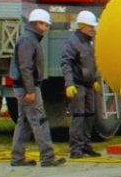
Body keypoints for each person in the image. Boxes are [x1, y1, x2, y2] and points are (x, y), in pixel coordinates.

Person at [10, 8, 64, 167]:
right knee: (39, 121)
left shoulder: (30, 39)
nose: (47, 28)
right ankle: (48, 157)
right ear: (36, 24)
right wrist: (31, 90)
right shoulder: (28, 41)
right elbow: (25, 67)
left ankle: (17, 157)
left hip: (25, 87)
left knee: (25, 122)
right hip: (29, 88)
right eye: (45, 25)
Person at [61, 10, 101, 158]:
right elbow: (66, 63)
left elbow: (93, 63)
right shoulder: (73, 42)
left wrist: (95, 80)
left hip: (89, 84)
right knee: (78, 116)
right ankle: (76, 149)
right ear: (82, 26)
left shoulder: (90, 42)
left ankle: (86, 145)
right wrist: (69, 83)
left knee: (90, 114)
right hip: (77, 84)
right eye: (91, 26)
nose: (93, 29)